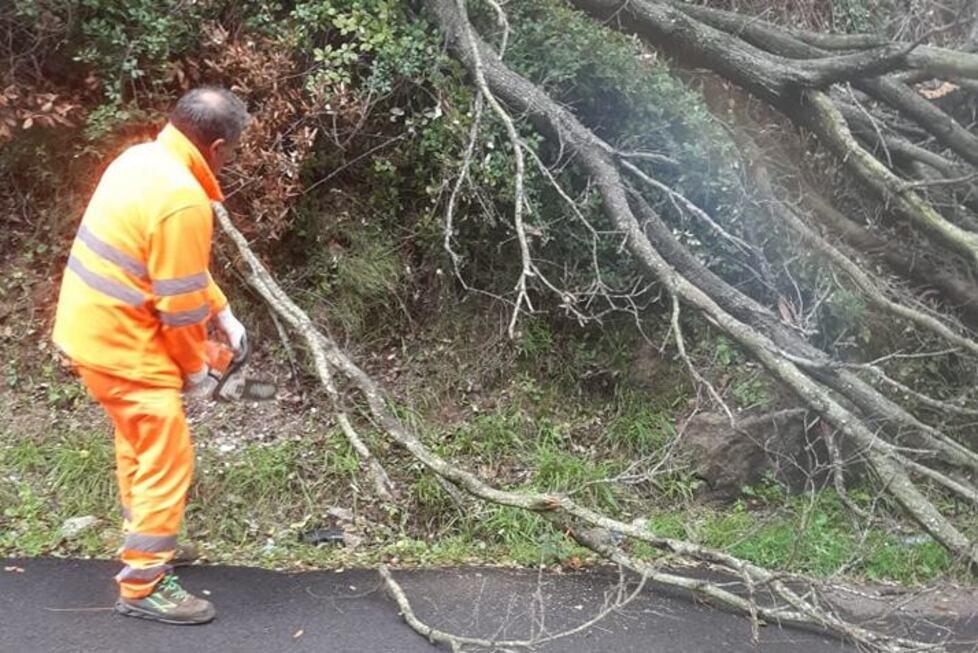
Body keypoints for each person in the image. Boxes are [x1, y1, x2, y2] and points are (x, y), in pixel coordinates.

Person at [52, 87, 250, 625]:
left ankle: (146, 537)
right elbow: (180, 313)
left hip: (93, 333)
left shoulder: (140, 160)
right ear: (216, 147)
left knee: (139, 443)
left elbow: (176, 268)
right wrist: (196, 372)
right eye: (232, 151)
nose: (229, 159)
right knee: (168, 458)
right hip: (125, 346)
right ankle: (145, 584)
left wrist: (224, 312)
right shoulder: (183, 198)